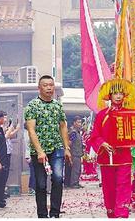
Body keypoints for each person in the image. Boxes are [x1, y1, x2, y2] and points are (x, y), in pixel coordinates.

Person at [87, 78, 135, 218]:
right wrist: (102, 143)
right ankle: (112, 212)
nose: (118, 96)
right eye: (115, 93)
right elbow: (94, 135)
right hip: (106, 157)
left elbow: (134, 133)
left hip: (124, 157)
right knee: (108, 187)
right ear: (110, 95)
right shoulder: (102, 115)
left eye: (121, 93)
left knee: (124, 184)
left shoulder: (129, 114)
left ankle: (122, 212)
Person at [25, 75, 71, 218]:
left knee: (58, 179)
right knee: (41, 184)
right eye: (45, 85)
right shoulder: (32, 106)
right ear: (39, 88)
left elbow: (63, 126)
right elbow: (31, 129)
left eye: (51, 85)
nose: (49, 88)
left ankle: (55, 213)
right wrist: (39, 151)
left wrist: (66, 148)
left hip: (56, 148)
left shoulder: (58, 105)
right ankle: (42, 215)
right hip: (38, 151)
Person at [66, 116, 84, 188]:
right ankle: (74, 183)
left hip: (77, 153)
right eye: (78, 122)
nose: (80, 124)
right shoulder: (73, 132)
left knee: (77, 169)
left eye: (80, 122)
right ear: (74, 123)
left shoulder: (77, 132)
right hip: (74, 154)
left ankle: (75, 182)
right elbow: (69, 143)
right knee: (75, 170)